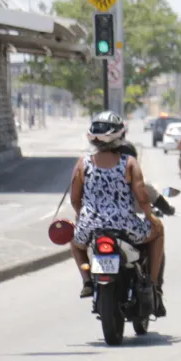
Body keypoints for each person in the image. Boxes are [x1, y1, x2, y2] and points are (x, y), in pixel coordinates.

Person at [70, 112, 166, 317]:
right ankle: (154, 283)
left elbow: (75, 198)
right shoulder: (129, 162)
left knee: (75, 244)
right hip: (124, 226)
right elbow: (141, 197)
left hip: (91, 225)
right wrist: (150, 218)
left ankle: (87, 280)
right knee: (158, 231)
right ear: (120, 135)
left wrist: (82, 217)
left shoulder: (82, 162)